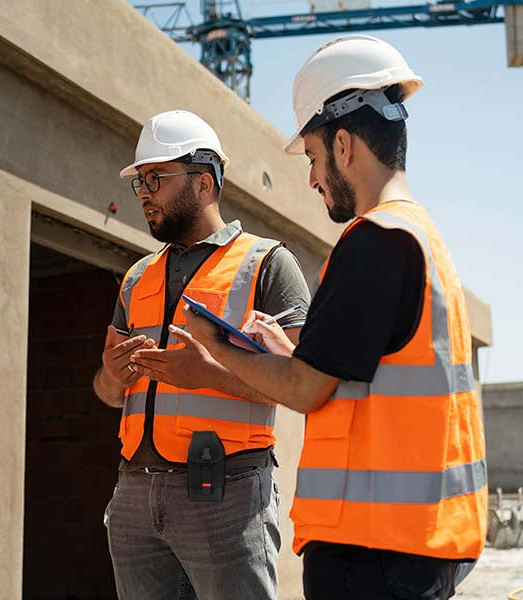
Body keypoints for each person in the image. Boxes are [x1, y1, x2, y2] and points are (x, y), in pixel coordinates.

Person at [178, 36, 487, 600]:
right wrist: (290, 355)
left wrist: (216, 348)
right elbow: (360, 378)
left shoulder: (372, 242)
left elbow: (306, 390)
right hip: (418, 543)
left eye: (315, 159)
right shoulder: (421, 237)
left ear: (344, 145)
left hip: (375, 553)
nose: (314, 178)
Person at [93, 109, 311, 600]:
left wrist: (208, 374)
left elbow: (305, 387)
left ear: (205, 182)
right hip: (133, 496)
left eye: (157, 177)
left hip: (227, 495)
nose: (144, 192)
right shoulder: (136, 277)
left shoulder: (269, 265)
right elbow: (107, 393)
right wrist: (111, 377)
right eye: (140, 181)